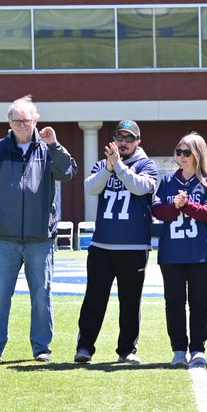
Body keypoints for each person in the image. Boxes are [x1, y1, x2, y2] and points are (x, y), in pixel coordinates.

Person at [0, 95, 77, 364]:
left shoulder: (48, 149)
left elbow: (68, 172)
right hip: (5, 240)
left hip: (40, 239)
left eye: (27, 119)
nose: (22, 124)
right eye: (17, 120)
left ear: (36, 120)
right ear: (9, 122)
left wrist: (55, 144)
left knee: (41, 294)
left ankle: (41, 347)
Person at [75, 119, 159, 365]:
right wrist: (109, 168)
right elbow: (91, 188)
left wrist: (119, 167)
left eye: (129, 138)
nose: (123, 142)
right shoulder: (103, 164)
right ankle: (85, 347)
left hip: (133, 247)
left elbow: (140, 187)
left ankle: (127, 350)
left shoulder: (147, 164)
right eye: (119, 137)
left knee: (130, 301)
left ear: (138, 142)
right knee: (94, 299)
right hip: (102, 245)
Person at [152, 132, 207, 368]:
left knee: (199, 302)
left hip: (202, 253)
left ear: (198, 154)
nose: (181, 157)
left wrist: (188, 205)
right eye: (179, 152)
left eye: (187, 152)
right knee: (173, 302)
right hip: (172, 252)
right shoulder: (167, 180)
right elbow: (158, 212)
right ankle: (178, 349)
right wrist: (175, 205)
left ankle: (198, 349)